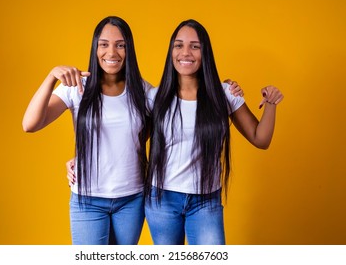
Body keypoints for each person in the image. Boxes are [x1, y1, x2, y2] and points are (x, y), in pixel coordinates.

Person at [143, 19, 284, 245]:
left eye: (194, 46)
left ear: (205, 52)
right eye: (178, 45)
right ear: (171, 52)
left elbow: (261, 139)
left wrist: (271, 104)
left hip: (205, 201)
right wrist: (79, 158)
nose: (185, 52)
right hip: (162, 200)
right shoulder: (155, 97)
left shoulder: (225, 93)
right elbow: (129, 141)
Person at [22, 16, 151, 245]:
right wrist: (51, 77)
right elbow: (30, 124)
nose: (112, 52)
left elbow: (150, 131)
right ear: (95, 47)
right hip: (88, 200)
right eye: (104, 44)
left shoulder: (143, 91)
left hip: (132, 199)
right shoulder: (76, 87)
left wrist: (226, 90)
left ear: (129, 49)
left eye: (120, 45)